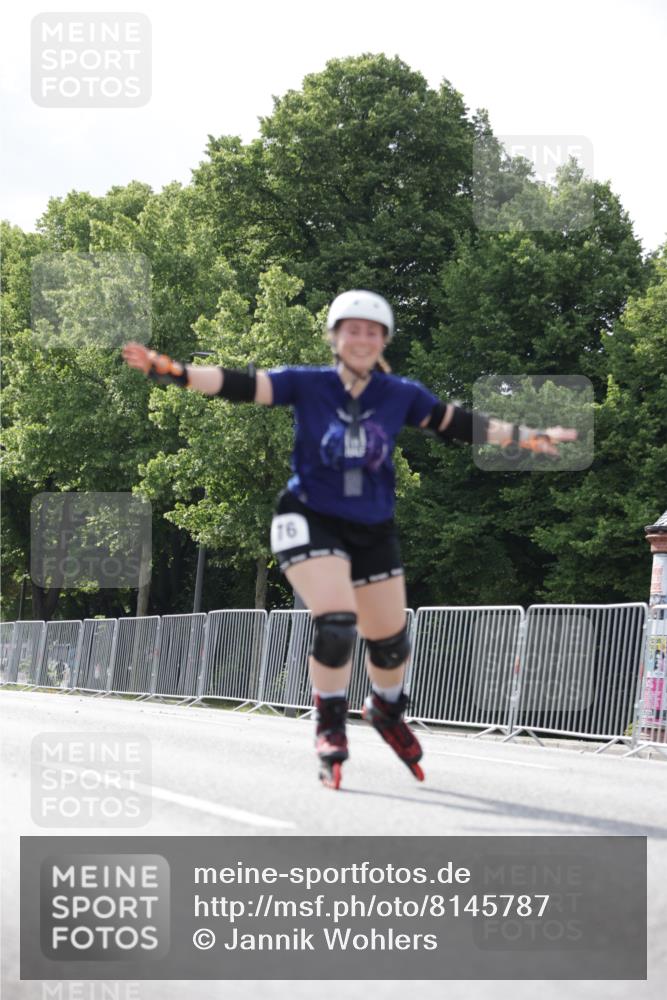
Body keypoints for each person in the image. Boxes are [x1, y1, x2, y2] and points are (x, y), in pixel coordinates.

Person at [122, 290, 576, 789]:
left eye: (372, 331)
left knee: (389, 643)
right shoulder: (308, 384)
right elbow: (239, 384)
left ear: (383, 341)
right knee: (337, 624)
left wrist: (526, 437)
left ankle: (385, 708)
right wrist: (175, 371)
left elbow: (458, 424)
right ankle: (330, 726)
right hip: (309, 516)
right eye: (351, 330)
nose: (361, 339)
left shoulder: (400, 393)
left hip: (372, 528)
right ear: (335, 338)